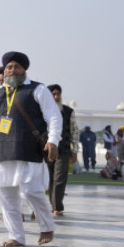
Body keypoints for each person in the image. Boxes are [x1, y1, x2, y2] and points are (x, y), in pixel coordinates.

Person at [0, 51, 61, 247]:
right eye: (9, 67)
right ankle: (16, 236)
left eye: (16, 67)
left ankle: (47, 226)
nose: (12, 70)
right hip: (2, 151)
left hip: (28, 149)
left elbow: (54, 117)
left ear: (24, 69)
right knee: (5, 194)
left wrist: (53, 140)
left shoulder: (38, 89)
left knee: (32, 191)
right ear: (4, 71)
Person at [46, 84, 76, 217]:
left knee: (59, 179)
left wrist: (74, 150)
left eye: (58, 94)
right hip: (45, 150)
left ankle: (57, 206)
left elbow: (74, 131)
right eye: (53, 94)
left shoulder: (68, 111)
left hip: (62, 149)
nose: (56, 97)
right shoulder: (42, 111)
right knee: (48, 179)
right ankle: (52, 205)